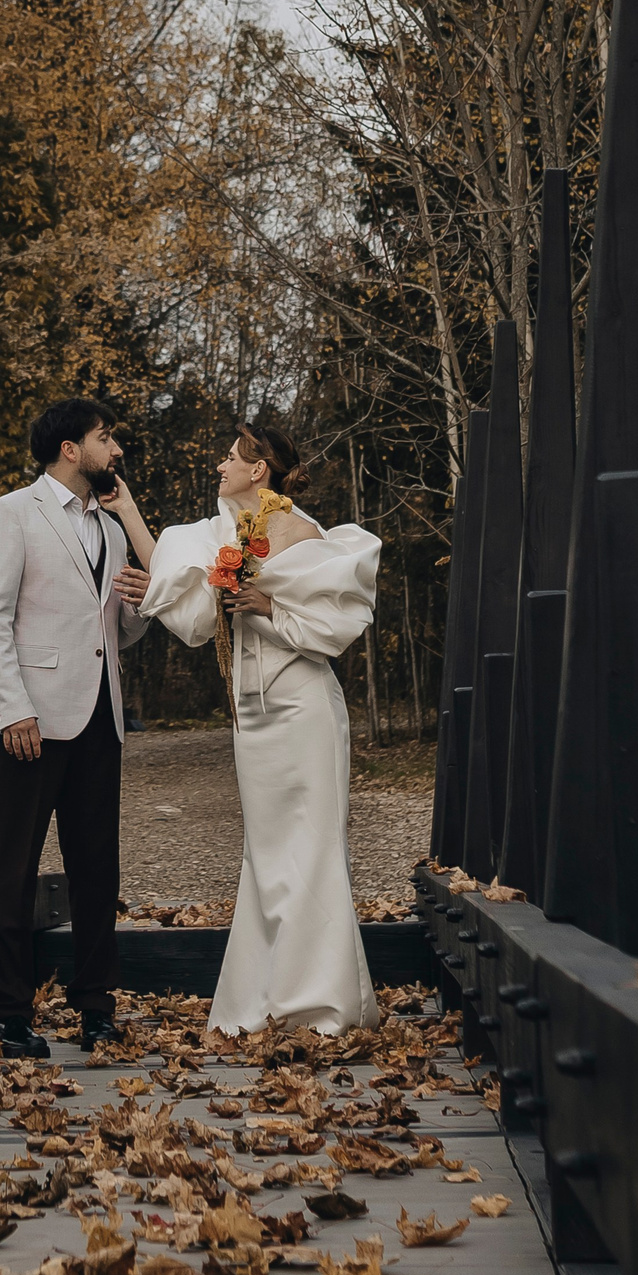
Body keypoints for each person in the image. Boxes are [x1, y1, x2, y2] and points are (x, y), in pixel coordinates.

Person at [142, 421, 382, 1036]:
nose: (219, 466)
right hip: (251, 714)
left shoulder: (304, 533)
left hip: (302, 707)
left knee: (313, 851)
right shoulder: (228, 533)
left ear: (259, 469)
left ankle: (322, 1005)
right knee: (267, 857)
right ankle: (264, 1000)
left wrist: (268, 606)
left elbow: (333, 628)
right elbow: (174, 576)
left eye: (230, 457)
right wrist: (124, 513)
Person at [0, 398, 154, 1058]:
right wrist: (15, 706)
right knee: (12, 867)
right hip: (29, 719)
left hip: (101, 714)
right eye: (106, 437)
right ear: (71, 448)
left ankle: (96, 1007)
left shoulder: (109, 526)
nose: (116, 449)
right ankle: (9, 1014)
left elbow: (115, 633)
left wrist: (138, 607)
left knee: (98, 869)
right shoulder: (11, 513)